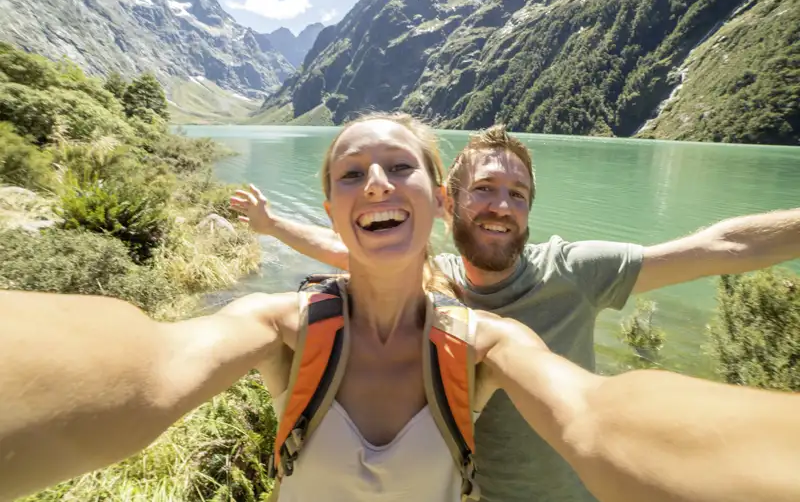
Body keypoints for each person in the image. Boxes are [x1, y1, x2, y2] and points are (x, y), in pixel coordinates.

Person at [1, 113, 800, 502]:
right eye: (352, 173)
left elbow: (596, 412)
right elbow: (147, 361)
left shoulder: (490, 333)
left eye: (397, 167)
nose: (376, 184)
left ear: (432, 197)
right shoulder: (283, 326)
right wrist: (275, 227)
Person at [231, 124, 800, 502]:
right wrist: (272, 224)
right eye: (485, 189)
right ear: (447, 203)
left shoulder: (576, 270)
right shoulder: (433, 278)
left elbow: (723, 247)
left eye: (518, 195)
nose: (502, 207)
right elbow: (343, 246)